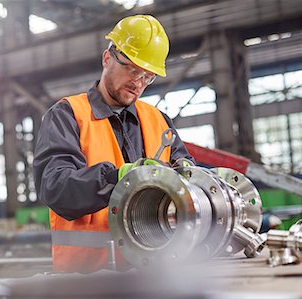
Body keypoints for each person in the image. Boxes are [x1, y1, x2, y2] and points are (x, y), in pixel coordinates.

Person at [33, 15, 195, 273]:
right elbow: (56, 188)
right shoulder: (68, 114)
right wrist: (117, 178)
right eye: (132, 69)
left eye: (147, 76)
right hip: (87, 278)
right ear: (107, 58)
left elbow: (187, 179)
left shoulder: (158, 120)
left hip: (157, 272)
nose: (138, 82)